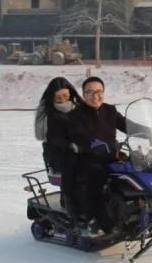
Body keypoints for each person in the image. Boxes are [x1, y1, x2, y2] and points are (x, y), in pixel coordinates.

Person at [65, 76, 130, 233]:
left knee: (137, 169)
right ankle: (99, 220)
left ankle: (141, 207)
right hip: (89, 157)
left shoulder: (110, 110)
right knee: (96, 178)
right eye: (90, 92)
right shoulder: (76, 115)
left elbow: (127, 126)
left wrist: (150, 131)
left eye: (99, 91)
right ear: (84, 95)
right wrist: (93, 144)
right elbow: (79, 136)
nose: (95, 96)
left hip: (112, 155)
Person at [34, 77, 83, 182]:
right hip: (59, 155)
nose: (63, 100)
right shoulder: (48, 112)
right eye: (58, 98)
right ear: (52, 98)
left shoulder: (79, 107)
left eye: (66, 96)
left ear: (71, 93)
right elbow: (41, 136)